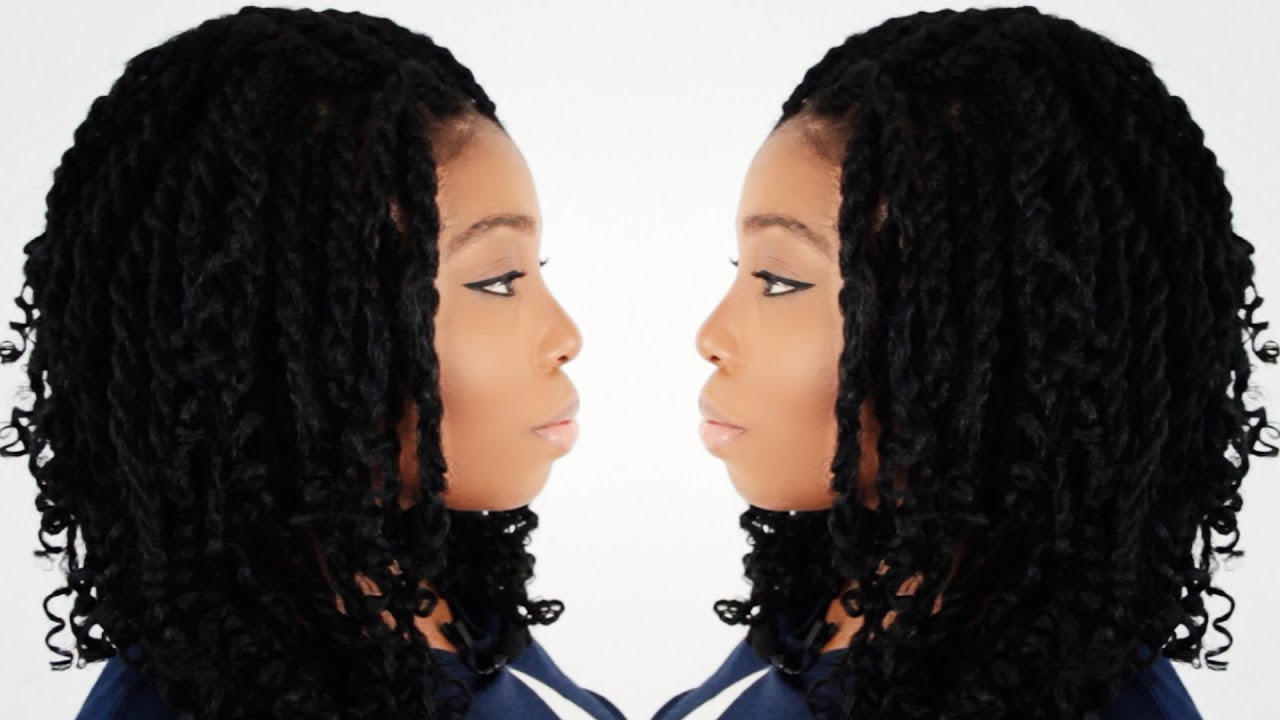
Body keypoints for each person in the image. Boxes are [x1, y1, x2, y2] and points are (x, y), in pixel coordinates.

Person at [1, 6, 623, 719]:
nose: (565, 334)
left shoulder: (425, 602)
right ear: (288, 339)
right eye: (498, 280)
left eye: (536, 270)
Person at [658, 5, 1277, 719]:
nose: (711, 334)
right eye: (741, 270)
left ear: (989, 340)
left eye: (779, 280)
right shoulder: (854, 602)